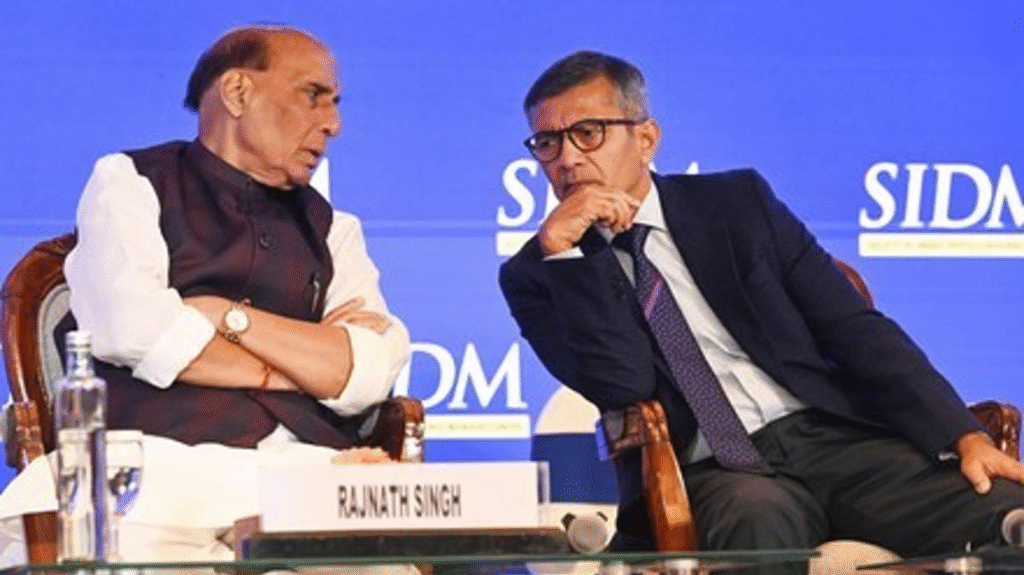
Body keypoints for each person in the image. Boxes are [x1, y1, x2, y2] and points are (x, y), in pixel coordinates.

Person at [498, 50, 1024, 572]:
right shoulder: (536, 276)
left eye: (587, 133)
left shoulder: (737, 204)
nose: (567, 159)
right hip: (712, 469)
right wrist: (568, 257)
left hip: (833, 440)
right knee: (758, 524)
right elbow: (623, 383)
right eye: (547, 143)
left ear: (646, 138)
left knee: (1003, 509)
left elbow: (853, 328)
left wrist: (964, 435)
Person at [48, 25, 411, 561]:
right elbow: (134, 331)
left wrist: (226, 317)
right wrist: (303, 369)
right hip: (161, 478)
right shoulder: (132, 181)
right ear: (238, 92)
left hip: (303, 476)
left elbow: (369, 369)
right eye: (313, 96)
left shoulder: (333, 228)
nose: (332, 124)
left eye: (335, 104)